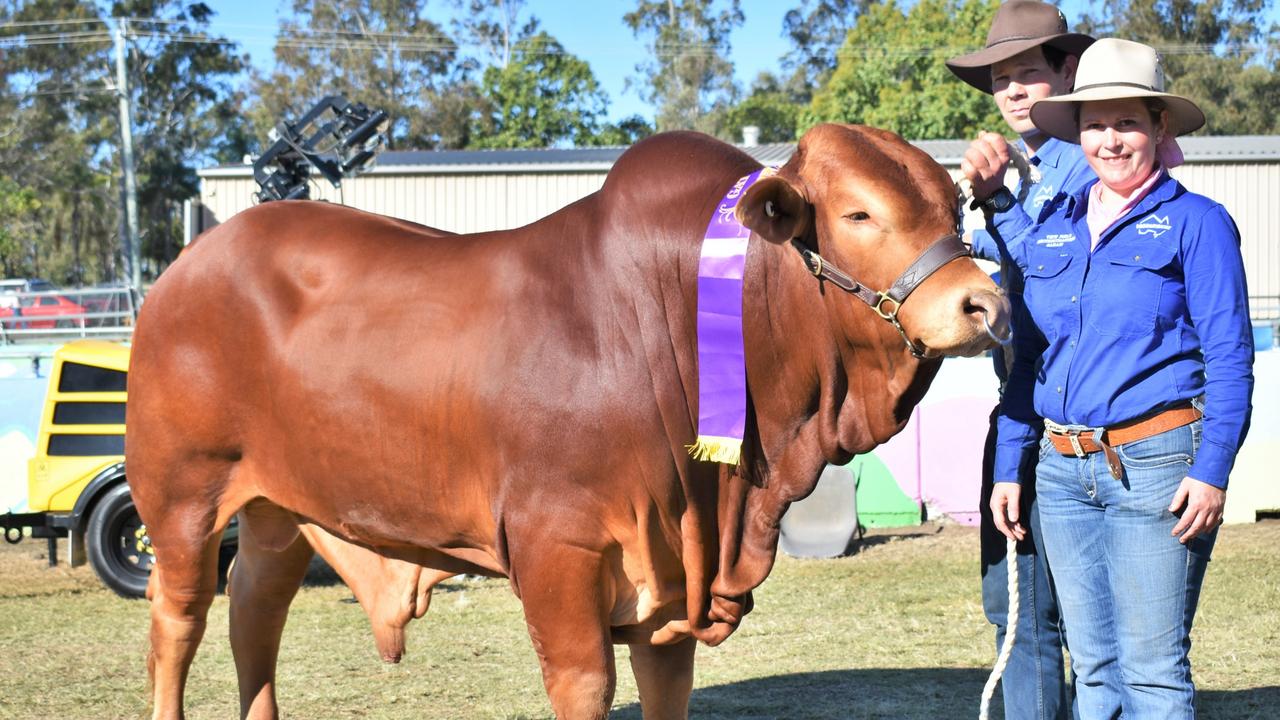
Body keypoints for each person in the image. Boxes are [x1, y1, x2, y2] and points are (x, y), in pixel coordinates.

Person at [989, 38, 1255, 719]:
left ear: (1159, 127)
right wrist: (1009, 467)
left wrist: (1215, 468)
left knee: (1152, 672)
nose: (1111, 140)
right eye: (1095, 124)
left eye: (1127, 121)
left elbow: (1230, 357)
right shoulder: (1051, 233)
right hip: (1060, 470)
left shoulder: (1199, 224)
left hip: (1160, 467)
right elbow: (1029, 360)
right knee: (1096, 670)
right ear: (1077, 133)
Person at [945, 2, 1094, 717]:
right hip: (1018, 418)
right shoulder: (1002, 170)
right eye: (1001, 79)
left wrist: (999, 200)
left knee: (1090, 627)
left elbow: (1055, 285)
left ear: (1067, 72)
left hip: (1082, 429)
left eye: (1028, 73)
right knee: (1016, 613)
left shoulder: (1096, 170)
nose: (1011, 91)